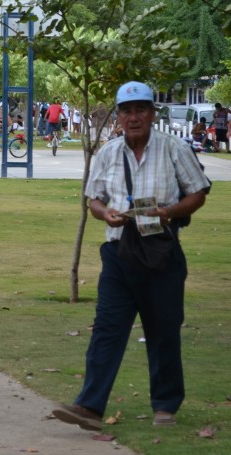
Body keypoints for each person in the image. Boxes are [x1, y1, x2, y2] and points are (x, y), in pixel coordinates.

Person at [52, 81, 209, 432]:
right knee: (107, 328)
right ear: (118, 116)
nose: (134, 117)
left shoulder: (173, 148)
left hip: (161, 252)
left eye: (141, 110)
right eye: (127, 111)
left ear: (153, 114)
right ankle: (89, 406)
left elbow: (199, 191)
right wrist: (104, 212)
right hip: (118, 251)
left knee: (163, 329)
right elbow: (94, 198)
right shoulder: (108, 152)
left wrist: (169, 211)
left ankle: (166, 405)